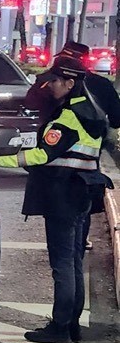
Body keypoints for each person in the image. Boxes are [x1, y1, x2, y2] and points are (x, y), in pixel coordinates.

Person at [0, 55, 110, 343]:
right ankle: (71, 325)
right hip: (81, 194)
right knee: (74, 262)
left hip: (62, 196)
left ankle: (59, 328)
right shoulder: (92, 112)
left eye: (56, 81)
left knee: (62, 264)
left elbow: (42, 155)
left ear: (70, 83)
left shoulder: (68, 117)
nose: (51, 86)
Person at [24, 41, 120, 250]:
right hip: (86, 159)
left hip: (54, 158)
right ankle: (77, 243)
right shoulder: (98, 84)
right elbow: (116, 119)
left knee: (61, 211)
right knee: (81, 202)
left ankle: (68, 249)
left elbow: (30, 103)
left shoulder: (55, 82)